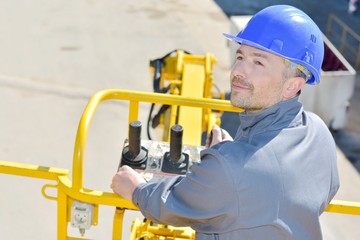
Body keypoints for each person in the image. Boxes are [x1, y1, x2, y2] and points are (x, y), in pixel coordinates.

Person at [111, 5, 339, 240]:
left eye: (258, 63)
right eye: (240, 57)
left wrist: (136, 189)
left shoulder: (230, 167)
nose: (238, 70)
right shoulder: (319, 134)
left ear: (292, 85)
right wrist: (236, 154)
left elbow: (171, 205)